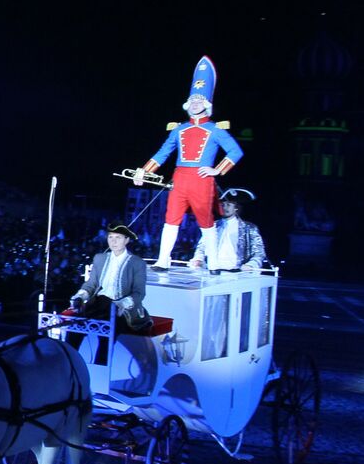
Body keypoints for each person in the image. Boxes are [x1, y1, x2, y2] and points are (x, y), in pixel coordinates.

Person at [133, 56, 244, 269]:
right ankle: (163, 259)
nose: (194, 104)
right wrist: (142, 172)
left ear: (207, 104)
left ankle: (214, 263)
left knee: (205, 222)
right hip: (179, 178)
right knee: (170, 218)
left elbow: (235, 151)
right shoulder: (179, 129)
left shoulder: (214, 129)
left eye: (199, 101)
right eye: (192, 100)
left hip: (201, 180)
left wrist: (216, 170)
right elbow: (163, 153)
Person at [70, 224, 152, 331]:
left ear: (126, 240)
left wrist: (121, 304)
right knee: (74, 326)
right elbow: (91, 284)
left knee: (109, 332)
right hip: (99, 303)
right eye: (110, 237)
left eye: (118, 237)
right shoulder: (99, 258)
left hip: (121, 307)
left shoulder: (137, 263)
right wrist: (80, 296)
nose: (114, 241)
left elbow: (139, 293)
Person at [191, 187, 268, 272]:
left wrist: (251, 264)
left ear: (236, 208)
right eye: (222, 205)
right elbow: (202, 247)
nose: (225, 208)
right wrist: (198, 259)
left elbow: (259, 252)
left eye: (228, 205)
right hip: (213, 270)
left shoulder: (249, 228)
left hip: (238, 272)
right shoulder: (212, 225)